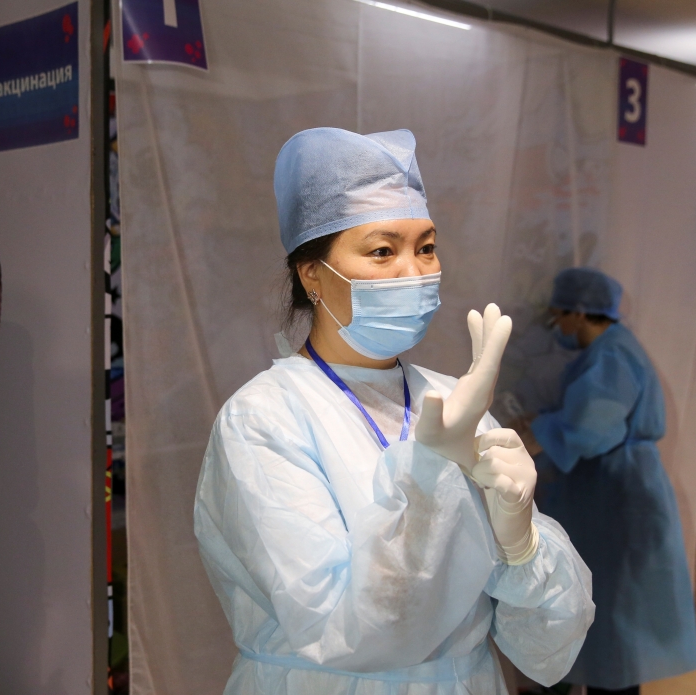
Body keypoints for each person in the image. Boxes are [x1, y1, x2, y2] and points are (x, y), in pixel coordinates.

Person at [193, 127, 595, 695]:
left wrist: (521, 542)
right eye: (383, 250)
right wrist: (429, 474)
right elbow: (345, 632)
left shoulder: (457, 403)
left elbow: (547, 646)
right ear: (312, 276)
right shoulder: (265, 420)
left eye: (425, 247)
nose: (414, 271)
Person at [521, 268, 696, 695]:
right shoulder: (612, 351)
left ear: (580, 313)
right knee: (605, 608)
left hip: (618, 493)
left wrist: (530, 434)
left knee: (615, 613)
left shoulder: (611, 356)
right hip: (611, 489)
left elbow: (590, 426)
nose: (557, 327)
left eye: (558, 316)